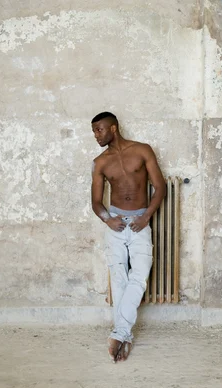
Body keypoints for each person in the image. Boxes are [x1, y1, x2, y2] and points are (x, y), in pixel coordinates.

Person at [90, 112, 166, 363]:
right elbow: (96, 202)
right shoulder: (100, 162)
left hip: (139, 221)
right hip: (115, 223)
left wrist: (146, 217)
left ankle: (120, 333)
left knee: (139, 277)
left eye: (99, 130)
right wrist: (107, 219)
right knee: (119, 278)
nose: (96, 135)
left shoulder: (142, 150)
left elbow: (160, 187)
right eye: (94, 131)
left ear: (113, 128)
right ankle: (124, 337)